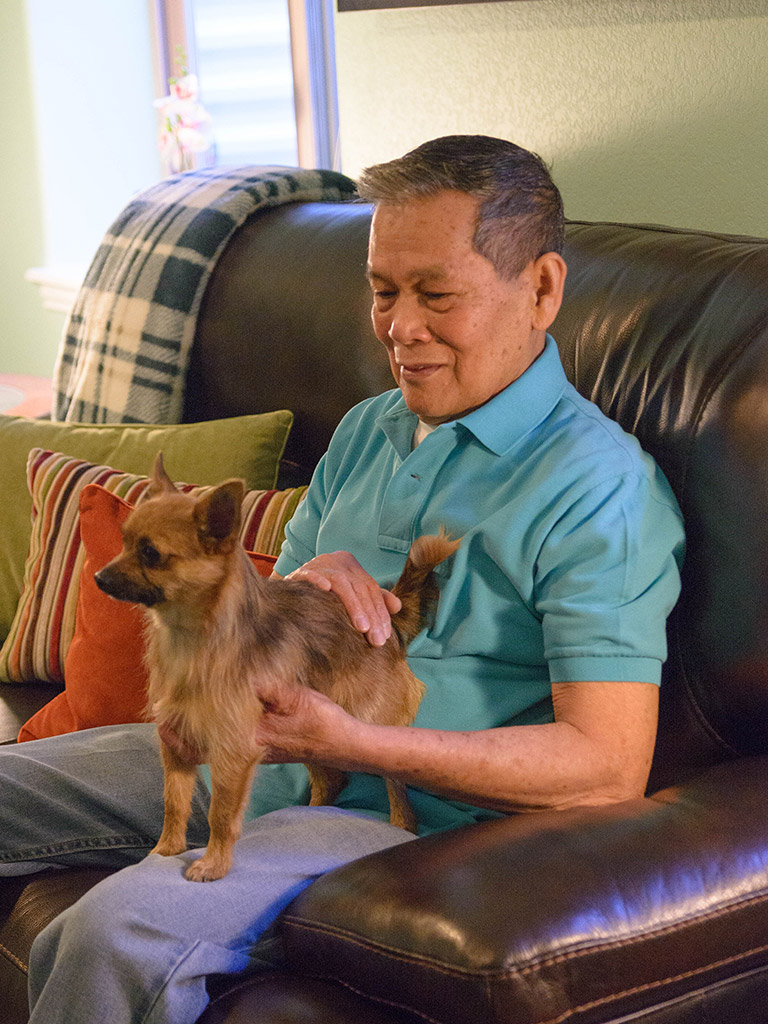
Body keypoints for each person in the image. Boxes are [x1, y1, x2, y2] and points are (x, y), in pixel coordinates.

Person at [0, 135, 684, 1024]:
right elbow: (255, 644)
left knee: (109, 933)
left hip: (396, 821)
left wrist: (356, 743)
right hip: (247, 752)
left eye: (435, 293)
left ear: (541, 289)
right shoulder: (367, 431)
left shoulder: (601, 488)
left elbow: (606, 767)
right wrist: (295, 583)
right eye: (383, 291)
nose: (400, 327)